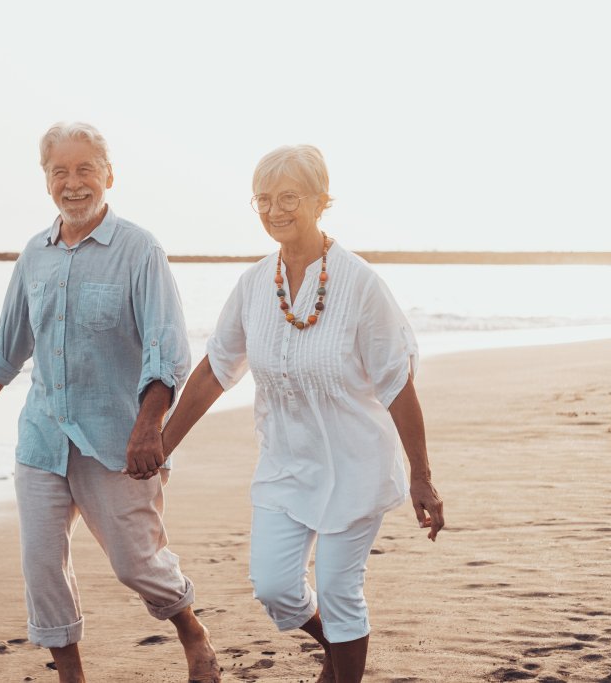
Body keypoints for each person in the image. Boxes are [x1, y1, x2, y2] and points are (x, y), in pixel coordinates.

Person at [145, 145, 445, 683]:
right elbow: (216, 370)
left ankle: (342, 667)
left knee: (338, 589)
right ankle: (342, 654)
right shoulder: (256, 284)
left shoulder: (360, 284)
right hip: (287, 464)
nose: (275, 210)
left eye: (289, 197)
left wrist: (422, 476)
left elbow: (398, 384)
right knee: (276, 586)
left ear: (320, 201)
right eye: (263, 199)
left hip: (355, 464)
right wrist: (163, 445)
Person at [0, 122, 220, 683]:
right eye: (61, 172)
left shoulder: (139, 249)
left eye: (85, 170)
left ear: (108, 175)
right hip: (42, 437)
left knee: (137, 565)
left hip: (117, 438)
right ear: (46, 181)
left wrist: (149, 426)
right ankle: (70, 675)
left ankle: (191, 630)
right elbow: (11, 338)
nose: (73, 183)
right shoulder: (35, 254)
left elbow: (166, 347)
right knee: (41, 566)